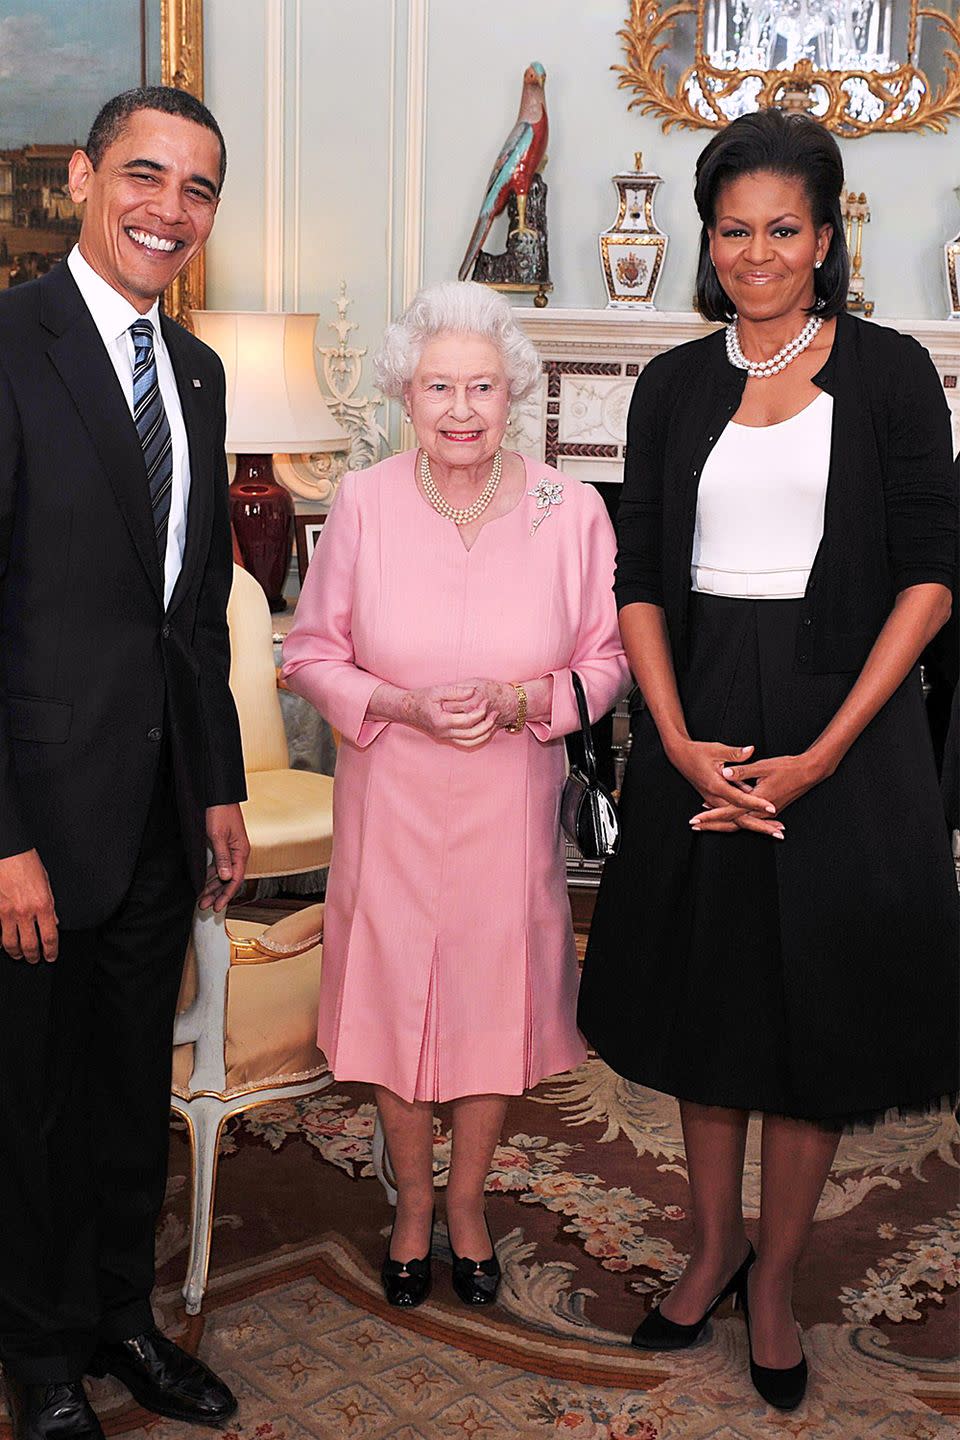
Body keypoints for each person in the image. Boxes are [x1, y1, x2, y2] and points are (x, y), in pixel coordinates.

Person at [577, 110, 958, 1413]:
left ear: (825, 235)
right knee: (709, 1009)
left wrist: (825, 753)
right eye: (732, 230)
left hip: (845, 731)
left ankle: (779, 1277)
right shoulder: (673, 386)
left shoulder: (897, 374)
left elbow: (930, 579)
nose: (755, 255)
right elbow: (637, 579)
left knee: (817, 1027)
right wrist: (674, 740)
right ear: (707, 237)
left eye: (782, 230)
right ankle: (711, 1247)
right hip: (701, 728)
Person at [283, 280, 629, 1311]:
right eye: (441, 386)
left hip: (508, 806)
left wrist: (529, 699)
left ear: (513, 392)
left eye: (482, 385)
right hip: (391, 795)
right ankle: (411, 1210)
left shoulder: (572, 510)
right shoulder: (364, 502)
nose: (463, 408)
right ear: (406, 395)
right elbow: (309, 652)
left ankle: (468, 1204)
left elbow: (607, 663)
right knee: (393, 1000)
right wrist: (402, 704)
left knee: (490, 1004)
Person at [0, 88, 249, 1440]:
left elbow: (192, 609)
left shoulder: (198, 373)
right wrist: (1, 837)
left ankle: (118, 1320)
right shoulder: (9, 344)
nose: (169, 207)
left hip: (156, 810)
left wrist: (215, 784)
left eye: (198, 189)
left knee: (122, 1097)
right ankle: (38, 1362)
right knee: (26, 1107)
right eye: (144, 175)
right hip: (32, 823)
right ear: (85, 178)